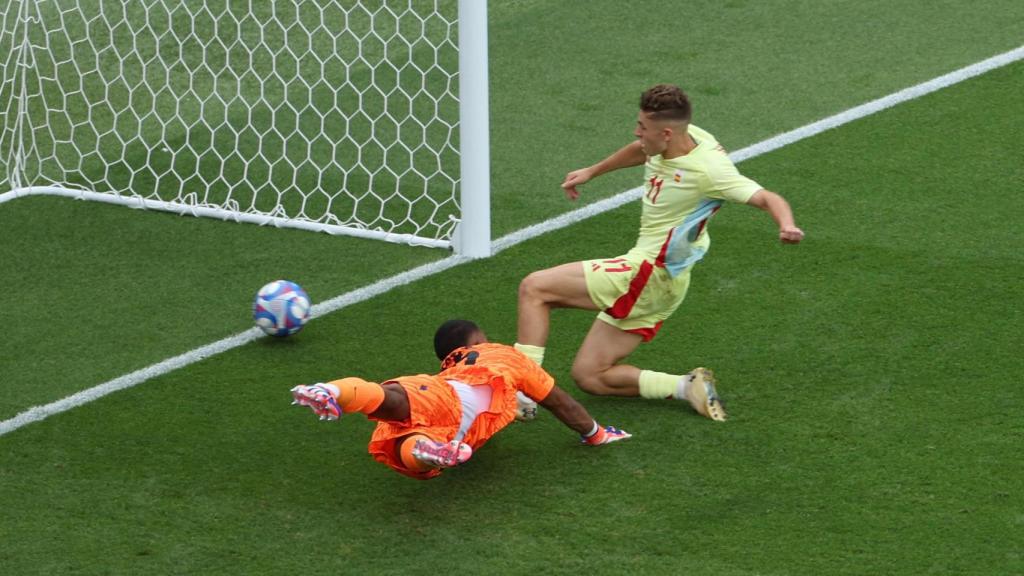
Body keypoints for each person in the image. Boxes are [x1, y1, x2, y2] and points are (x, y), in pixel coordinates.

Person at [513, 84, 804, 422]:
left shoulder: (710, 169)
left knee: (535, 288)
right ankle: (686, 386)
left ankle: (522, 391)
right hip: (665, 283)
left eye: (643, 127)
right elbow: (642, 150)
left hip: (647, 273)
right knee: (590, 375)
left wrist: (786, 224)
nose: (637, 132)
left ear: (666, 133)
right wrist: (593, 171)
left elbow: (767, 197)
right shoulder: (681, 136)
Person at [290, 319, 631, 479]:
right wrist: (596, 433)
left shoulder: (447, 371)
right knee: (411, 440)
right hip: (466, 424)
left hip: (443, 397)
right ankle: (429, 453)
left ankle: (331, 391)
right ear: (476, 341)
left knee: (393, 408)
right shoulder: (500, 355)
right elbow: (560, 402)